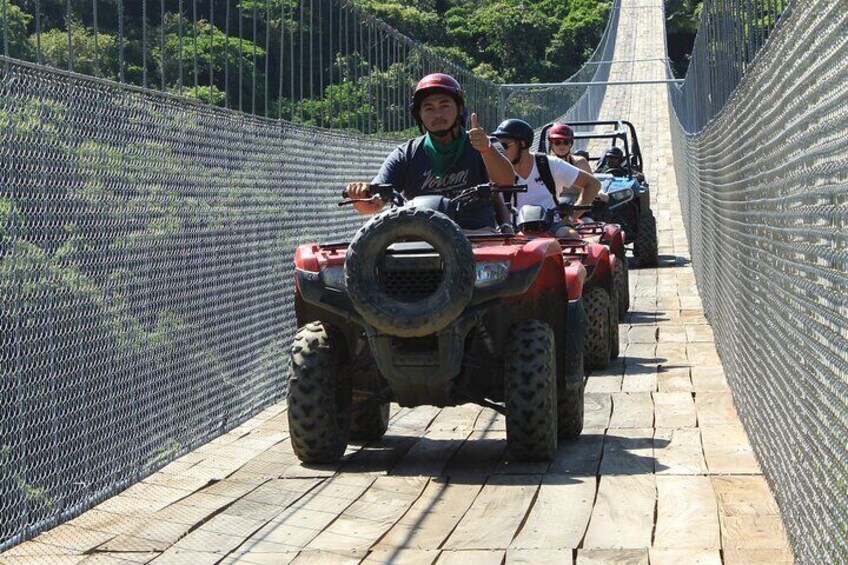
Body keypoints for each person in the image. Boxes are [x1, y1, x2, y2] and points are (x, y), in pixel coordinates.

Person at [345, 73, 514, 233]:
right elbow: (373, 204)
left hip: (478, 236)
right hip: (418, 238)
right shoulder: (405, 154)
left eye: (444, 105)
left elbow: (506, 181)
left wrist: (485, 149)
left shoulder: (484, 143)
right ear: (419, 115)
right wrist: (359, 195)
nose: (437, 114)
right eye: (429, 108)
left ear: (459, 109)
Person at [491, 118, 600, 233]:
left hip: (550, 228)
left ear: (523, 144)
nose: (500, 151)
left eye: (504, 145)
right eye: (497, 146)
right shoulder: (493, 170)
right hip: (511, 231)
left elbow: (593, 184)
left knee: (569, 235)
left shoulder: (549, 164)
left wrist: (572, 217)